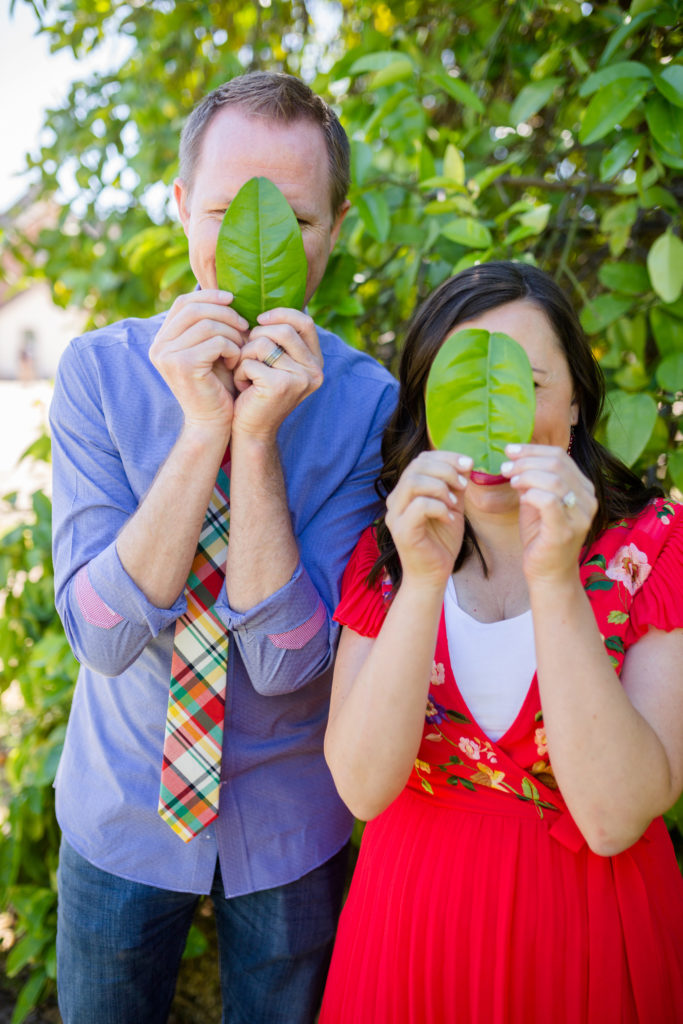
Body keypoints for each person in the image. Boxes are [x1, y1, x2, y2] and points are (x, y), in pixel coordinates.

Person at [50, 71, 397, 1024]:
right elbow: (106, 638)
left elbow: (290, 662)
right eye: (226, 211)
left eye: (294, 220)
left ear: (334, 227)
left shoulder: (368, 405)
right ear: (179, 207)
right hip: (119, 810)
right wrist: (202, 430)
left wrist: (255, 441)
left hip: (288, 826)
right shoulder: (98, 374)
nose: (258, 250)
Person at [319, 261, 683, 1024]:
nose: (499, 417)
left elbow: (617, 816)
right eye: (467, 386)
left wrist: (553, 577)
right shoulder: (386, 559)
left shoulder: (650, 550)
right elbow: (360, 788)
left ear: (577, 400)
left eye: (529, 384)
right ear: (426, 405)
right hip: (408, 936)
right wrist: (420, 580)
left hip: (588, 943)